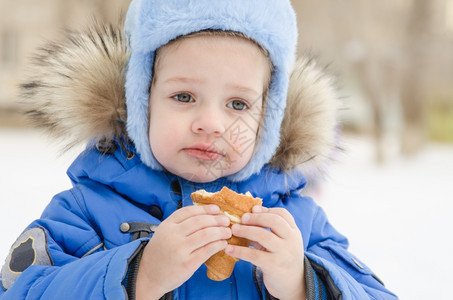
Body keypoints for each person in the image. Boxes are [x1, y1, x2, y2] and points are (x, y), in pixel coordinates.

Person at [0, 0, 397, 299]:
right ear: (140, 103)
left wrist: (301, 282)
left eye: (238, 104)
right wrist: (138, 275)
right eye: (184, 95)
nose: (212, 123)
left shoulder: (300, 223)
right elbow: (19, 289)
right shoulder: (84, 212)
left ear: (270, 118)